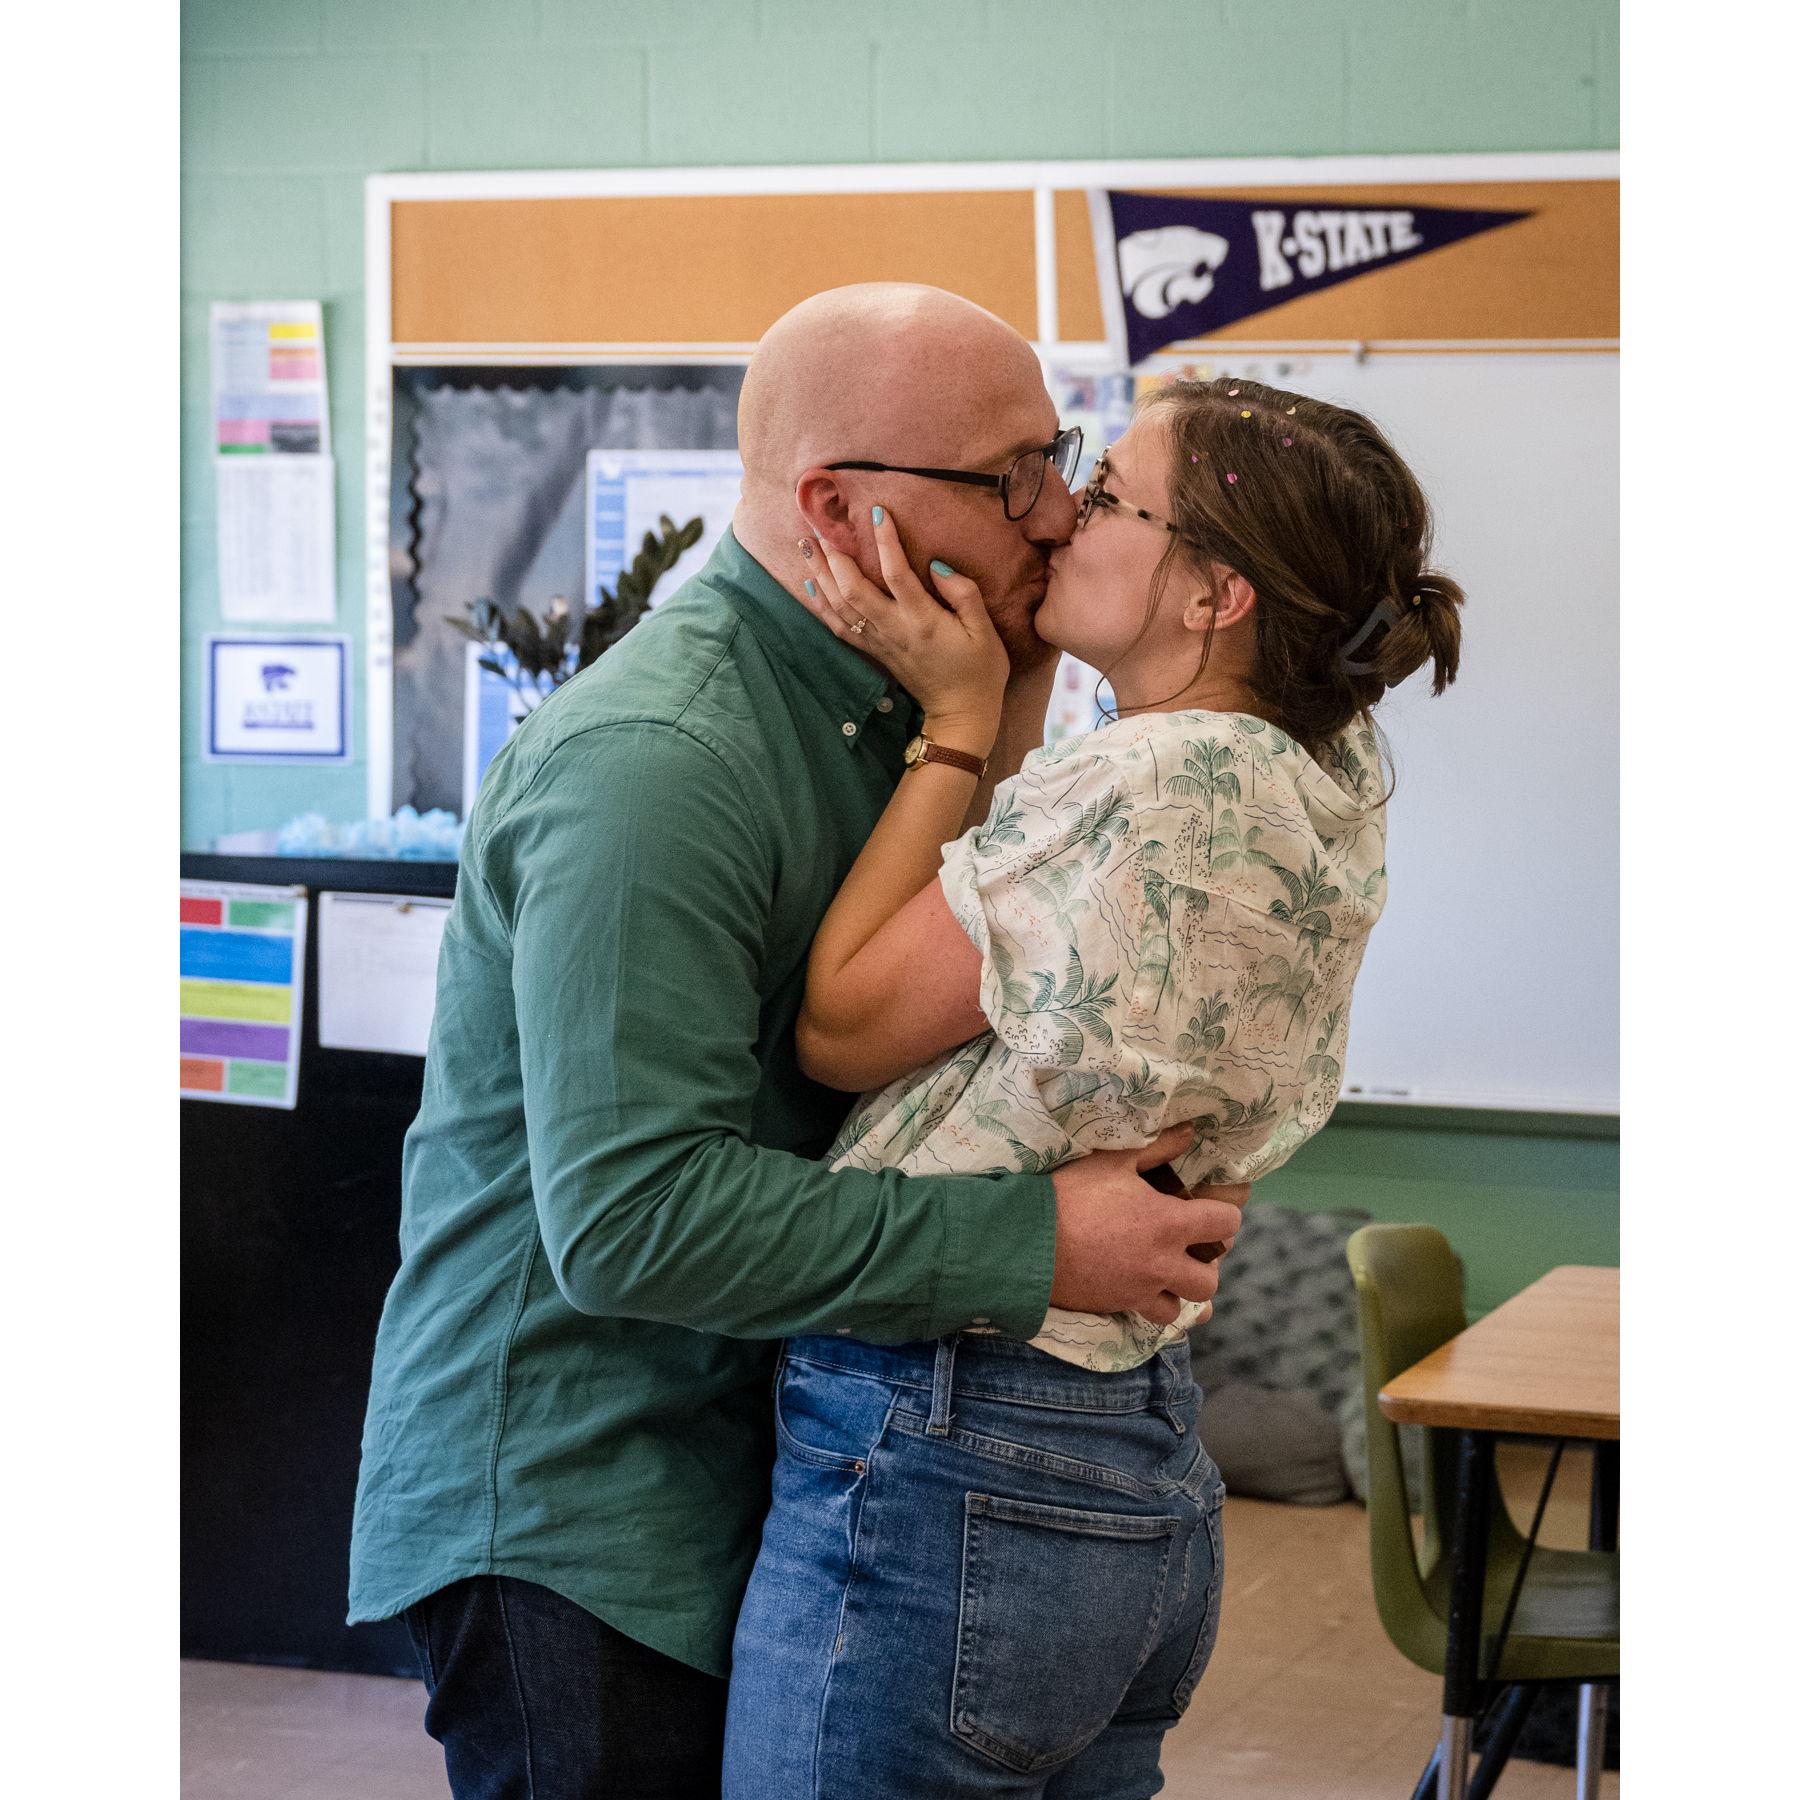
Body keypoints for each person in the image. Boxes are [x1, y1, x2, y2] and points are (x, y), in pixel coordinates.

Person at [347, 284, 1248, 1800]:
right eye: (1010, 477)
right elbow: (633, 1222)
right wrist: (1042, 1243)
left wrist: (1014, 693)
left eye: (1060, 461)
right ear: (836, 505)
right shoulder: (658, 761)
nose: (1056, 514)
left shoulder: (912, 701)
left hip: (774, 1464)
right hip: (590, 1509)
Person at [720, 375, 1465, 1798]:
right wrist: (1023, 683)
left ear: (1218, 596)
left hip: (956, 1433)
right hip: (1121, 1437)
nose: (1060, 515)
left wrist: (957, 716)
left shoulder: (1147, 777)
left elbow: (843, 1023)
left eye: (1110, 497)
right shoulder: (1325, 760)